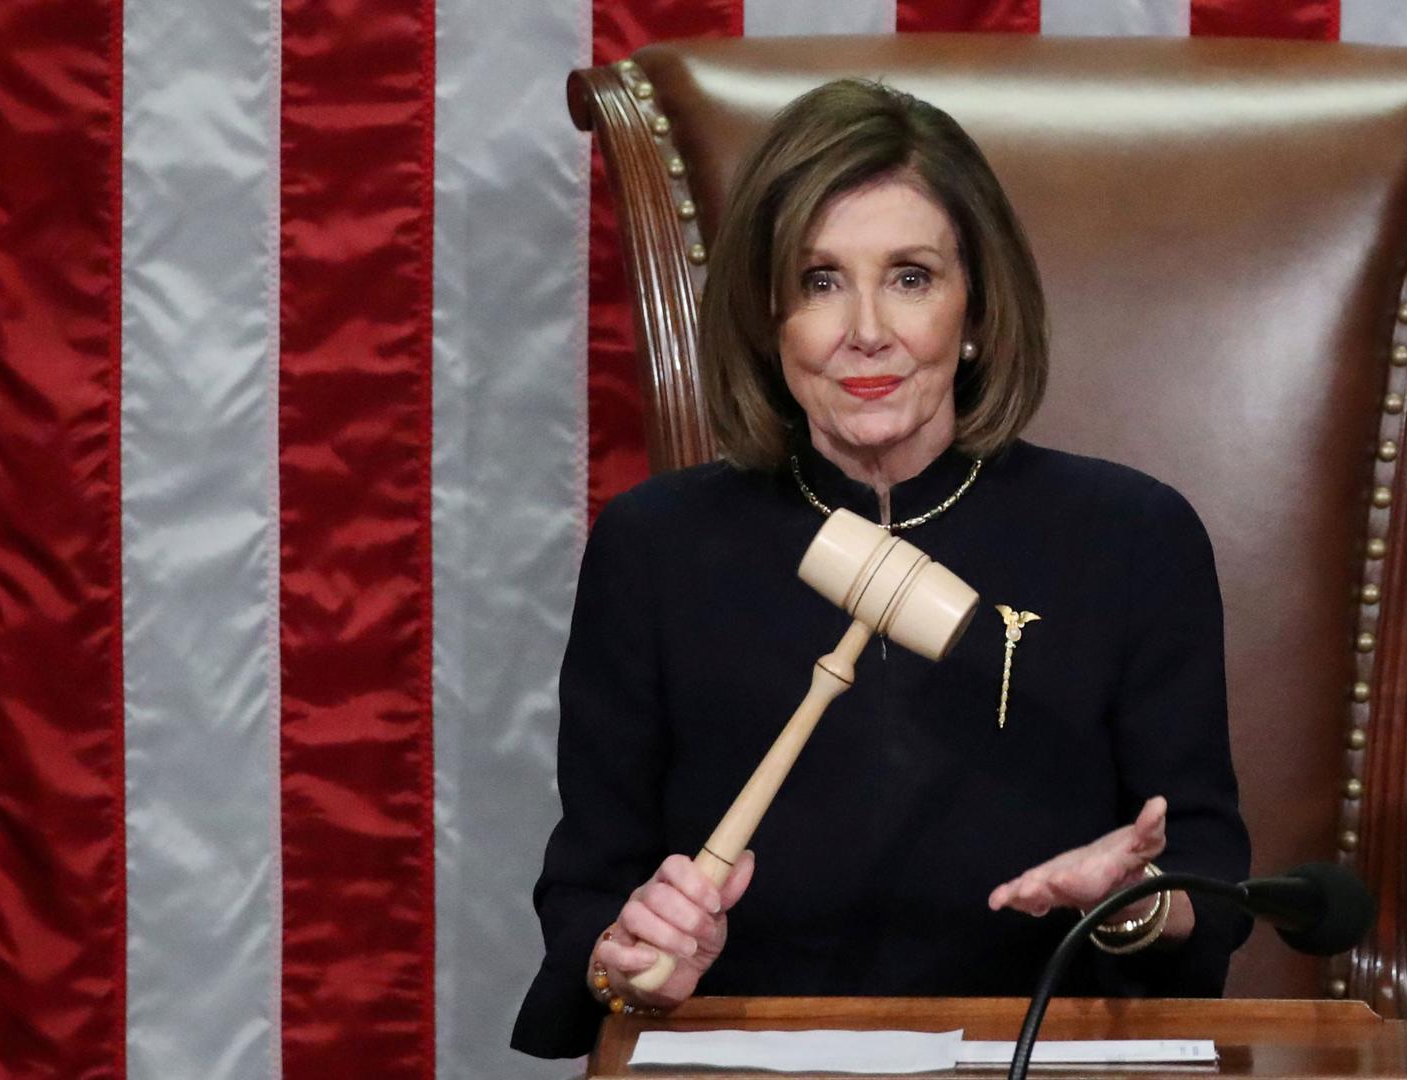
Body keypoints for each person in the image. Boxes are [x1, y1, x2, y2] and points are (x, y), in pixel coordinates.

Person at [512, 77, 1250, 1060]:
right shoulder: (656, 546)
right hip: (743, 1056)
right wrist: (627, 958)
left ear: (976, 309)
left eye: (910, 276)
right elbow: (588, 893)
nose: (867, 329)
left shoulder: (1133, 536)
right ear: (769, 322)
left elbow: (1208, 877)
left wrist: (1129, 908)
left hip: (1036, 1054)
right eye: (820, 281)